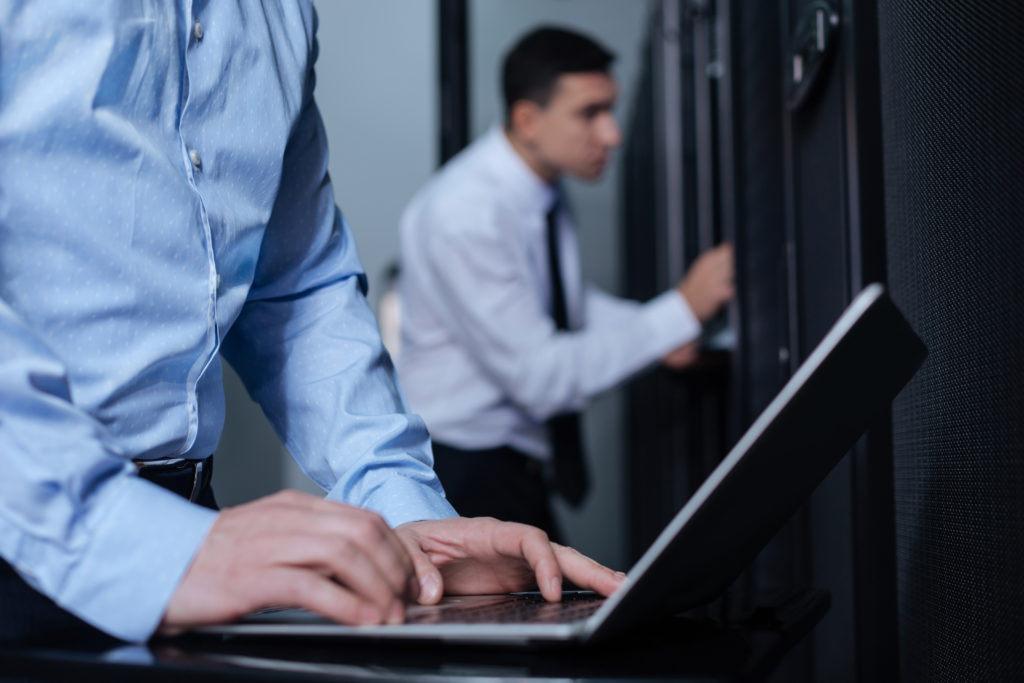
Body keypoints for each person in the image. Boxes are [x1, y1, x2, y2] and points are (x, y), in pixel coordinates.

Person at [0, 4, 623, 644]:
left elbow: (298, 286)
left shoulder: (279, 15)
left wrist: (402, 509)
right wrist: (122, 541)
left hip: (189, 531)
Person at [397, 27, 735, 539]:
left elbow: (561, 301)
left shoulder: (537, 189)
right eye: (590, 113)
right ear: (528, 120)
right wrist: (681, 311)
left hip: (504, 467)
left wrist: (660, 334)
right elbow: (541, 379)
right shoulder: (465, 215)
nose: (612, 134)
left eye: (611, 110)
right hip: (466, 477)